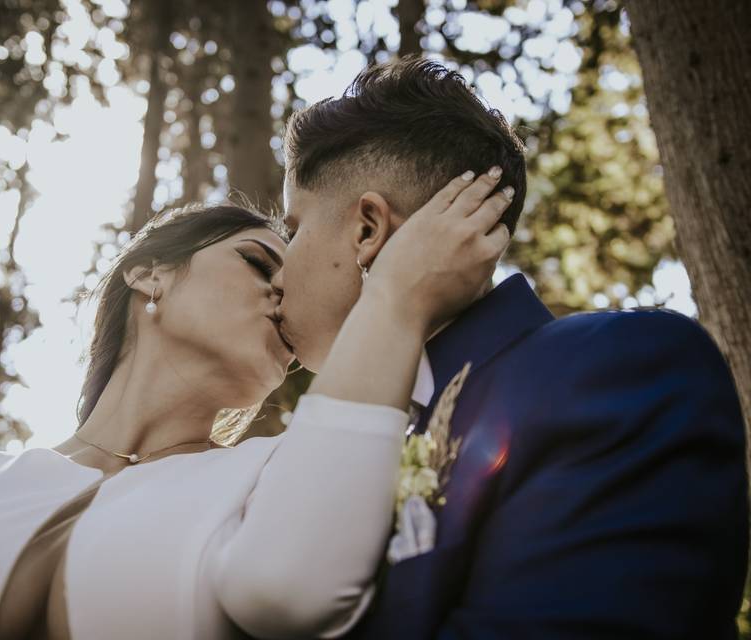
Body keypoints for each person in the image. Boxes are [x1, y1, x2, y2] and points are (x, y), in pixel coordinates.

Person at [0, 169, 513, 638]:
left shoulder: (281, 472)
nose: (281, 293)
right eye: (260, 263)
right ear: (150, 277)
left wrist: (393, 299)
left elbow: (292, 591)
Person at [272, 56, 749, 638]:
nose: (276, 275)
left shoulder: (616, 367)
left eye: (293, 231)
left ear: (368, 230)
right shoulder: (366, 450)